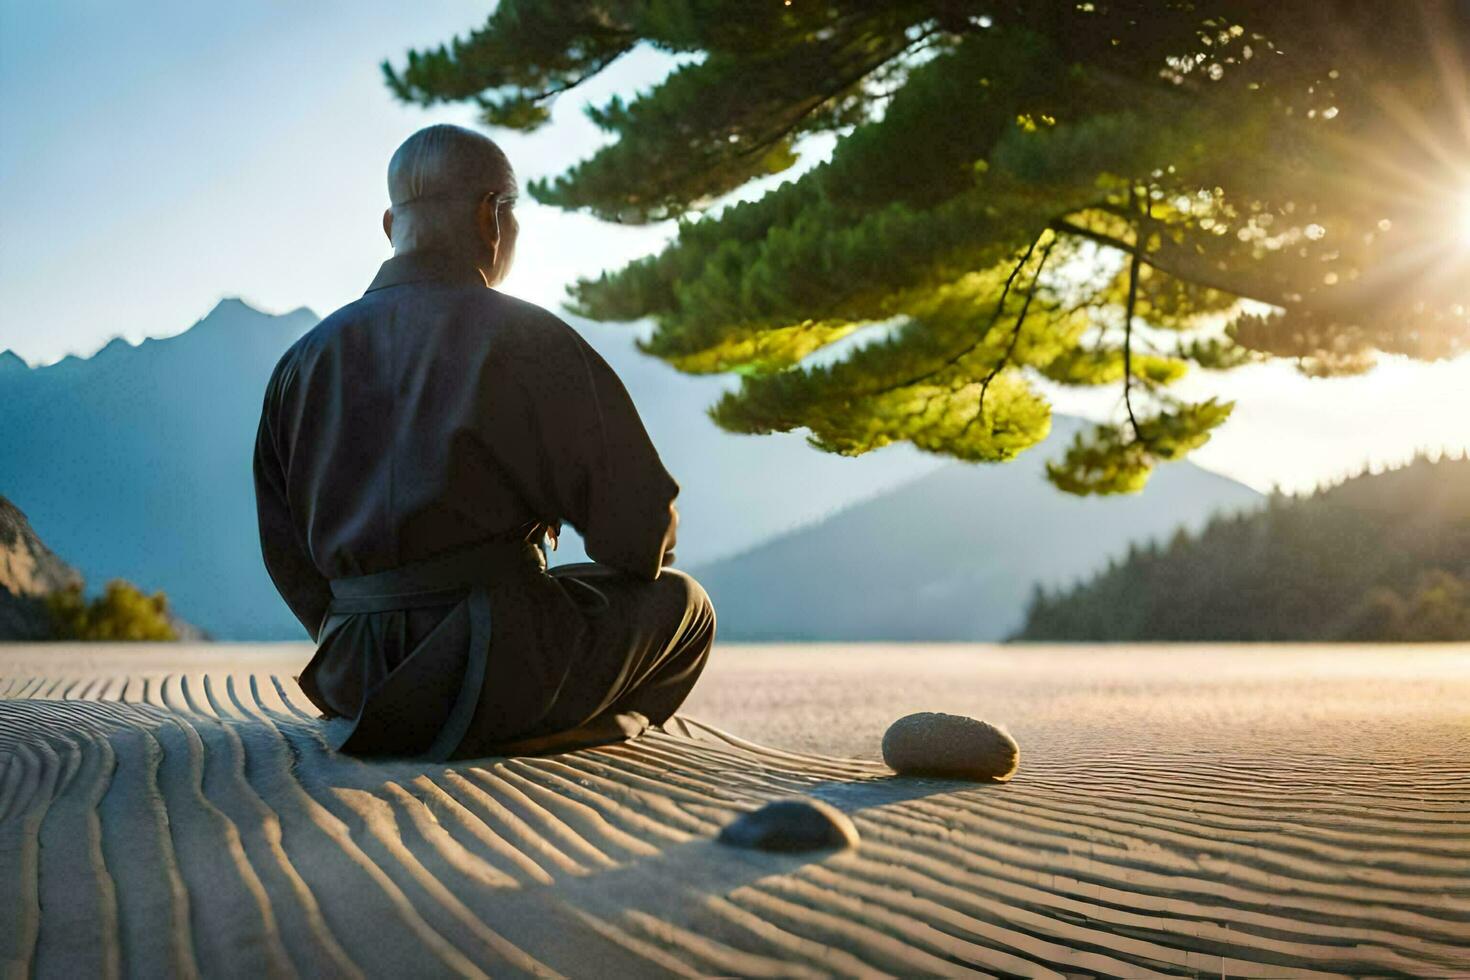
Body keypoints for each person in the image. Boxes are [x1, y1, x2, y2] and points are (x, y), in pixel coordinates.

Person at [253, 124, 715, 760]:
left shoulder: (299, 365)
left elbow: (288, 558)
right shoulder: (526, 338)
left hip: (353, 676)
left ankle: (436, 710)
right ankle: (558, 729)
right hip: (493, 669)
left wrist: (364, 628)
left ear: (391, 225)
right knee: (686, 604)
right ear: (491, 217)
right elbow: (637, 537)